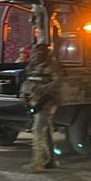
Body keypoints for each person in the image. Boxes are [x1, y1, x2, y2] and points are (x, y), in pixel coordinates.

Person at [19, 43, 62, 172]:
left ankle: (37, 163)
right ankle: (51, 160)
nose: (38, 54)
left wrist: (43, 89)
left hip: (46, 101)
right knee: (46, 130)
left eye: (41, 51)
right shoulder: (32, 64)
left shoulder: (51, 65)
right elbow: (28, 79)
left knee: (38, 130)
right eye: (36, 51)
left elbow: (58, 81)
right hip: (33, 99)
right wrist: (24, 94)